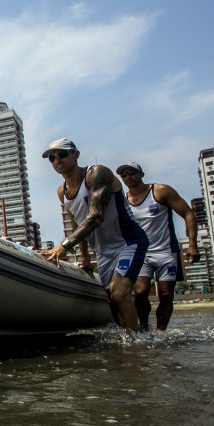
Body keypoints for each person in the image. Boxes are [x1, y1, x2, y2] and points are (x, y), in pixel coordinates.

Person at [38, 138, 148, 331]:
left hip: (128, 242)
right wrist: (84, 257)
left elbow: (96, 216)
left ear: (76, 155)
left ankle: (136, 344)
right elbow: (75, 223)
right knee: (112, 301)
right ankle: (131, 337)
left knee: (119, 294)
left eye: (62, 154)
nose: (57, 160)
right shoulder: (61, 192)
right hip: (102, 252)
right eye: (52, 158)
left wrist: (63, 246)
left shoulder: (97, 174)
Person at [117, 161, 200, 331]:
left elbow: (187, 213)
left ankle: (161, 331)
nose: (128, 177)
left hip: (166, 251)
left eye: (131, 173)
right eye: (123, 175)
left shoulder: (160, 191)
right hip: (141, 253)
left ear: (141, 174)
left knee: (166, 294)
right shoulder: (123, 201)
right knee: (140, 292)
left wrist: (192, 244)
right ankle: (145, 328)